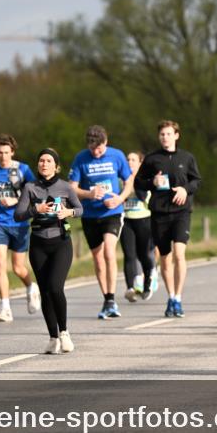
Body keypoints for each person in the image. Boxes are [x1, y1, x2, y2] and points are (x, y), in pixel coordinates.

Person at [14, 149, 84, 354]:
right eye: (41, 161)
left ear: (57, 166)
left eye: (49, 161)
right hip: (38, 243)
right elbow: (18, 215)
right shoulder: (30, 187)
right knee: (45, 291)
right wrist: (37, 210)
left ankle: (64, 333)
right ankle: (53, 338)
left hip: (61, 242)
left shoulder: (65, 187)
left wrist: (68, 212)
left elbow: (80, 209)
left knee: (55, 287)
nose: (44, 164)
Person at [134, 120, 202, 318]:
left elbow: (197, 180)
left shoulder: (187, 158)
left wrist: (185, 189)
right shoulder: (152, 159)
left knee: (179, 254)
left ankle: (178, 298)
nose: (165, 137)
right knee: (165, 257)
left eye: (168, 134)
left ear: (176, 135)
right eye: (162, 134)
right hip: (159, 213)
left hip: (181, 212)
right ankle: (170, 296)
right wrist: (151, 182)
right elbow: (138, 182)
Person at [69, 125, 133, 320]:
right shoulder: (81, 158)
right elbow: (72, 188)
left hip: (112, 211)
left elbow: (129, 180)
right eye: (92, 149)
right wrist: (89, 193)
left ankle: (112, 299)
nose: (95, 152)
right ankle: (106, 299)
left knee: (108, 251)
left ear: (106, 142)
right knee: (97, 258)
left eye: (98, 149)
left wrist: (121, 198)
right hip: (90, 214)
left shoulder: (117, 155)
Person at [0, 134, 40, 323]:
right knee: (0, 262)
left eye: (7, 152)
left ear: (12, 152)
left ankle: (31, 287)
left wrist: (16, 200)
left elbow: (35, 191)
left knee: (18, 268)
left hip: (20, 223)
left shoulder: (23, 170)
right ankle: (5, 309)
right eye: (0, 153)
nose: (3, 157)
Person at [121, 151, 158, 303]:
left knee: (144, 255)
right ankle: (130, 288)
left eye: (133, 160)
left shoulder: (146, 178)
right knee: (129, 255)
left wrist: (132, 186)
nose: (130, 162)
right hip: (127, 220)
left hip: (144, 219)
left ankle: (148, 283)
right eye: (128, 159)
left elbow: (144, 197)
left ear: (140, 163)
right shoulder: (120, 179)